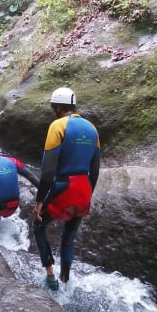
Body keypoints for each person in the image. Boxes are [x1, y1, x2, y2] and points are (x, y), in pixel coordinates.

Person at [33, 87, 100, 291]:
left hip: (64, 186)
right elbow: (95, 169)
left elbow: (47, 171)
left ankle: (51, 275)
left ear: (58, 107)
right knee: (69, 237)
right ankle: (65, 278)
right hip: (84, 188)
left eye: (54, 107)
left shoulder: (57, 126)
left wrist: (39, 201)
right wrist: (89, 193)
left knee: (39, 226)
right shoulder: (92, 128)